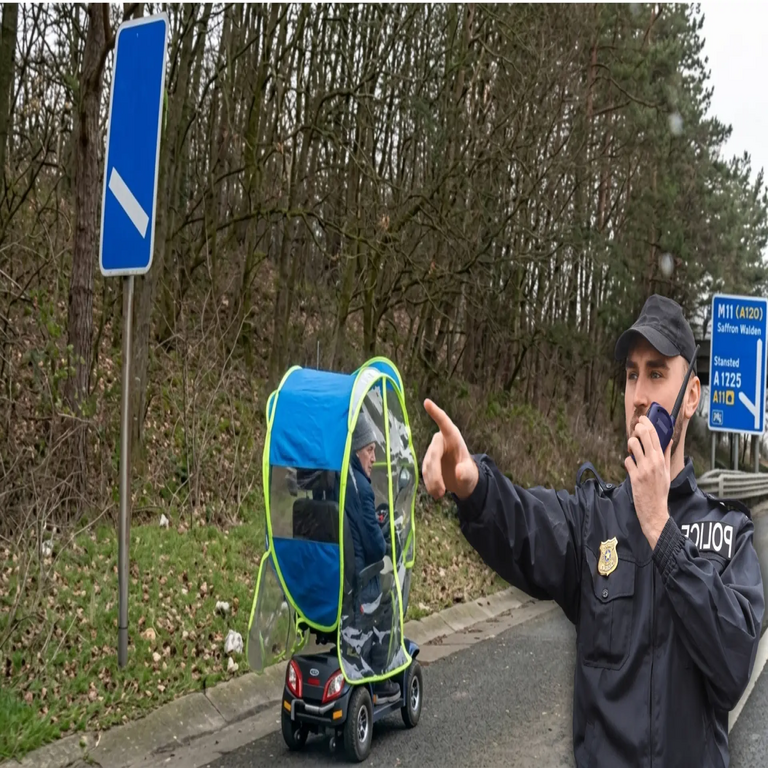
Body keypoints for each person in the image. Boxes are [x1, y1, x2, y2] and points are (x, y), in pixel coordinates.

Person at [421, 294, 764, 767]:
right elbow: (525, 522)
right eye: (631, 375)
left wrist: (661, 531)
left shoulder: (729, 533)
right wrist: (472, 482)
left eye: (657, 373)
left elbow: (733, 666)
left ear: (691, 396)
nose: (640, 396)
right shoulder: (593, 518)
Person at [345, 410, 399, 697]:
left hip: (332, 582)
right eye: (369, 450)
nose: (373, 458)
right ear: (356, 451)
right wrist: (386, 542)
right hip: (359, 586)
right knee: (389, 602)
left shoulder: (339, 481)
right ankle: (380, 676)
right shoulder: (362, 489)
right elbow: (376, 548)